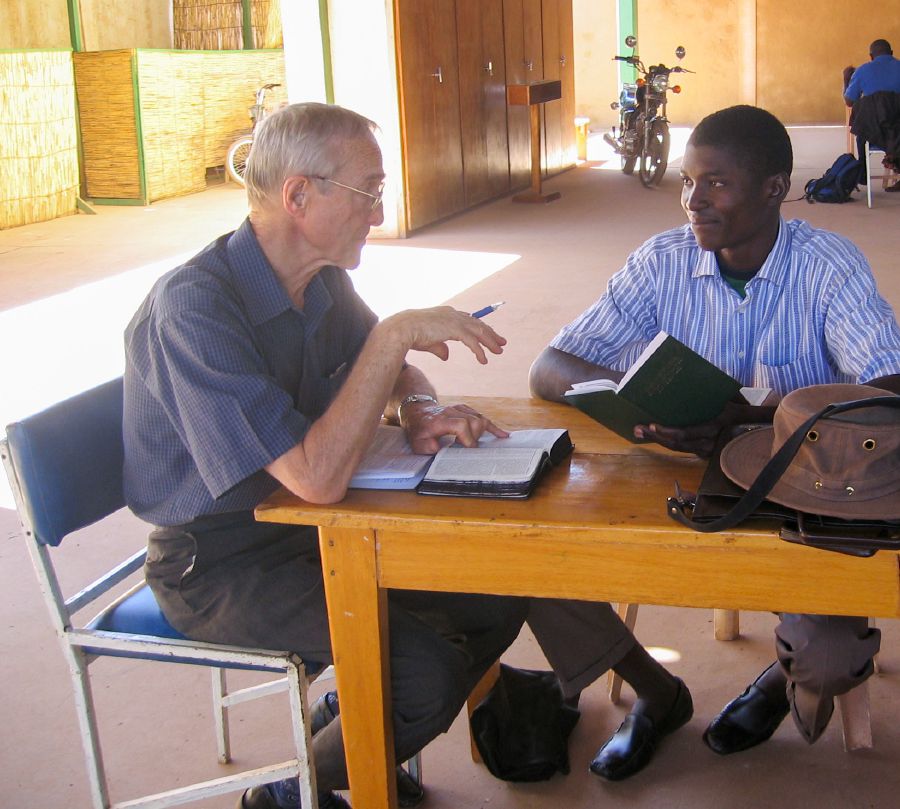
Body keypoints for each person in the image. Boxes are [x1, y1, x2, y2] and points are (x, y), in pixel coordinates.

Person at [123, 100, 688, 808]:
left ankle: (358, 732)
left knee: (499, 583)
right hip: (222, 558)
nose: (378, 210)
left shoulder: (318, 277)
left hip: (313, 526)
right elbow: (316, 476)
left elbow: (392, 379)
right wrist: (393, 336)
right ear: (299, 195)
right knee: (419, 674)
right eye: (369, 191)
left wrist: (418, 409)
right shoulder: (195, 312)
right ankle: (288, 789)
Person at [530, 105, 900, 755]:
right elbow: (549, 366)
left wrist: (757, 415)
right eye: (686, 181)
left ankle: (779, 677)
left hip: (800, 487)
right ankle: (655, 688)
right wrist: (637, 410)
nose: (692, 201)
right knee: (531, 555)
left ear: (773, 188)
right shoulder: (660, 261)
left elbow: (890, 388)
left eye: (717, 183)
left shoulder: (828, 267)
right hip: (672, 481)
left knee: (831, 655)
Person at [843, 38, 900, 187]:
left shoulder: (862, 70)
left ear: (871, 56)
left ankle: (863, 171)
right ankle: (895, 159)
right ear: (892, 53)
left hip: (872, 132)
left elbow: (849, 101)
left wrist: (846, 81)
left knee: (861, 127)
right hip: (898, 132)